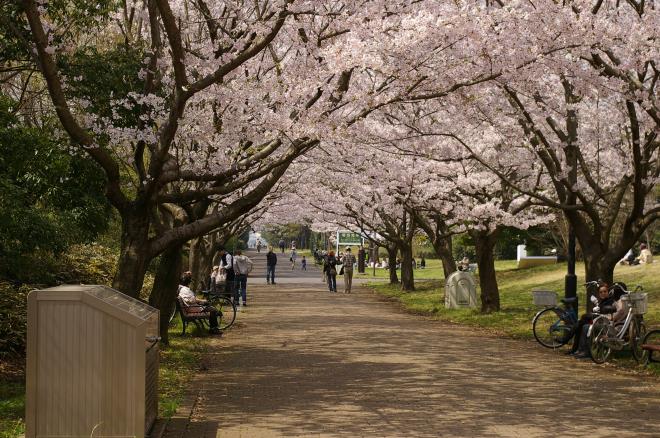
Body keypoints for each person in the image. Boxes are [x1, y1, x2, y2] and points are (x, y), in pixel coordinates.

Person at [568, 283, 626, 359]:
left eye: (605, 291)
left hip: (611, 325)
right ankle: (580, 350)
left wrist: (607, 317)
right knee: (582, 324)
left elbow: (616, 314)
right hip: (606, 323)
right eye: (601, 292)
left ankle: (585, 352)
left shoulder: (619, 302)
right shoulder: (617, 301)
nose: (603, 293)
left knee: (585, 326)